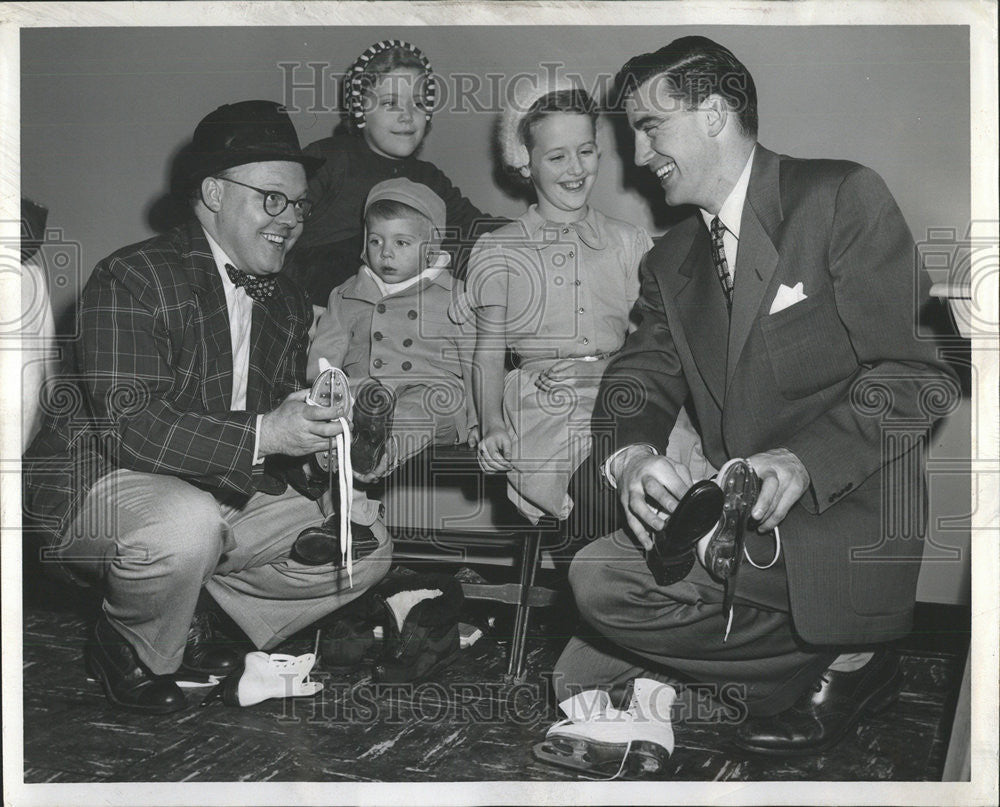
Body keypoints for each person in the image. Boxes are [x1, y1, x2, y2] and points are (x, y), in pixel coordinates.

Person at [547, 36, 959, 760]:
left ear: (713, 112)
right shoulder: (671, 258)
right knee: (577, 659)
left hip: (838, 524)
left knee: (599, 608)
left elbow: (921, 372)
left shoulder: (838, 197)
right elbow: (634, 382)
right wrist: (632, 459)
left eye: (649, 127)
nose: (639, 157)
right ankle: (781, 663)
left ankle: (851, 659)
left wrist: (802, 460)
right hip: (738, 531)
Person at [22, 100, 392, 714]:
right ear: (213, 192)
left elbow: (267, 439)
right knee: (184, 523)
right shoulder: (131, 276)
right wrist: (272, 433)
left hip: (208, 491)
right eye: (273, 199)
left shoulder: (288, 303)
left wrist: (327, 450)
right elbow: (133, 427)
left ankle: (184, 613)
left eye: (298, 204)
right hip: (95, 486)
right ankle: (133, 644)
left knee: (366, 546)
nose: (292, 220)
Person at [464, 79, 706, 526]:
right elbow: (488, 352)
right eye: (556, 157)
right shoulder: (499, 250)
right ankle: (637, 533)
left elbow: (654, 342)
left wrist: (604, 370)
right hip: (544, 395)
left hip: (622, 381)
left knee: (671, 453)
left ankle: (692, 534)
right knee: (582, 463)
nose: (575, 168)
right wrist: (492, 423)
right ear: (525, 163)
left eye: (587, 151)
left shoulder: (627, 241)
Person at [287, 39, 501, 307]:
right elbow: (280, 221)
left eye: (420, 104)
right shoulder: (329, 158)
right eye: (391, 103)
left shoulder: (429, 179)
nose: (407, 116)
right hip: (317, 306)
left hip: (397, 320)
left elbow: (478, 229)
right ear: (360, 109)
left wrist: (541, 225)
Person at [307, 177, 476, 481]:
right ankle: (335, 454)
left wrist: (481, 423)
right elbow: (326, 352)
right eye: (376, 241)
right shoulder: (346, 294)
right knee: (346, 403)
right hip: (365, 391)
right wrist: (328, 388)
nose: (385, 252)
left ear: (430, 248)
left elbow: (476, 363)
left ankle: (382, 450)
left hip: (431, 392)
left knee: (421, 409)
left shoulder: (456, 296)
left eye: (401, 243)